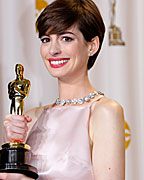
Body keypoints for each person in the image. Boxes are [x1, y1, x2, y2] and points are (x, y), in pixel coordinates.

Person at [0, 0, 125, 179]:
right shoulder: (32, 118)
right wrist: (9, 144)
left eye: (66, 38)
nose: (53, 50)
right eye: (46, 40)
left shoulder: (104, 112)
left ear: (92, 45)